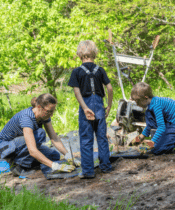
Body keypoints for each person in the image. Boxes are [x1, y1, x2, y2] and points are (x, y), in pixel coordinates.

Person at [0, 93, 79, 176]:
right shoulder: (26, 118)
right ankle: (17, 166)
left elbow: (54, 138)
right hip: (5, 147)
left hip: (20, 144)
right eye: (49, 112)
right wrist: (55, 166)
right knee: (40, 133)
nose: (51, 115)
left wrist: (68, 155)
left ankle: (28, 162)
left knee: (54, 156)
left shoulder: (44, 116)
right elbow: (32, 150)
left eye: (52, 111)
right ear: (39, 107)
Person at [68, 40, 113, 179]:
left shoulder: (76, 71)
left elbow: (77, 92)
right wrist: (109, 105)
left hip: (86, 107)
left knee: (86, 139)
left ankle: (88, 171)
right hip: (99, 106)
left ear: (79, 54)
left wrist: (85, 108)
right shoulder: (100, 70)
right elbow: (109, 88)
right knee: (102, 138)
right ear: (95, 53)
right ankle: (105, 166)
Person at [130, 82, 175, 155]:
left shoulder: (156, 105)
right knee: (156, 144)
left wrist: (152, 143)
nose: (136, 103)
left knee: (157, 149)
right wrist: (140, 138)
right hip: (171, 125)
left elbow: (161, 127)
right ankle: (171, 140)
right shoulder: (150, 107)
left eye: (137, 101)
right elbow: (150, 126)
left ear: (145, 97)